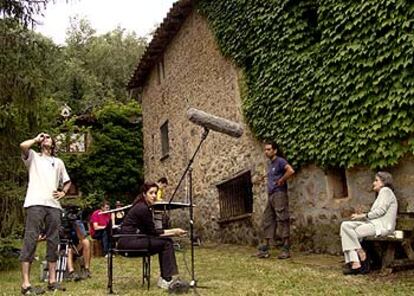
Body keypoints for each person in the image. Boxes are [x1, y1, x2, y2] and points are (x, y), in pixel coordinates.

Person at [19, 132, 71, 294]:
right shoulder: (34, 157)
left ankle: (52, 280)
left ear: (53, 143)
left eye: (48, 137)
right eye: (44, 137)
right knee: (31, 238)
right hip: (35, 203)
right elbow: (22, 145)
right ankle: (26, 284)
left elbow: (67, 182)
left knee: (53, 240)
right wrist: (36, 139)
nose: (45, 138)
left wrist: (63, 192)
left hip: (54, 206)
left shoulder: (58, 162)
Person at [118, 182, 187, 290]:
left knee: (165, 241)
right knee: (167, 243)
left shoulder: (142, 206)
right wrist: (174, 231)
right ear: (144, 194)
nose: (154, 196)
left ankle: (165, 278)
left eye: (155, 193)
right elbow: (153, 232)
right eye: (151, 193)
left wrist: (171, 232)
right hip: (128, 243)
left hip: (129, 240)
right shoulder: (143, 208)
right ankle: (166, 280)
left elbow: (150, 232)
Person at [340, 171, 398, 275]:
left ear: (384, 182)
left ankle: (356, 263)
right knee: (345, 226)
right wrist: (363, 216)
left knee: (351, 233)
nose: (373, 183)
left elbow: (380, 211)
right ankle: (359, 251)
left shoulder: (386, 191)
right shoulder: (382, 193)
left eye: (376, 180)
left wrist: (362, 216)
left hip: (382, 226)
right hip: (374, 224)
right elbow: (375, 213)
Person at [256, 141, 295, 259]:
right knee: (267, 219)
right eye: (265, 150)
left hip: (279, 194)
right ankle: (265, 248)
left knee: (282, 218)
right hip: (271, 195)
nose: (266, 152)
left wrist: (282, 180)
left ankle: (286, 248)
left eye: (269, 149)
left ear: (275, 150)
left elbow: (290, 171)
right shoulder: (271, 164)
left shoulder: (280, 161)